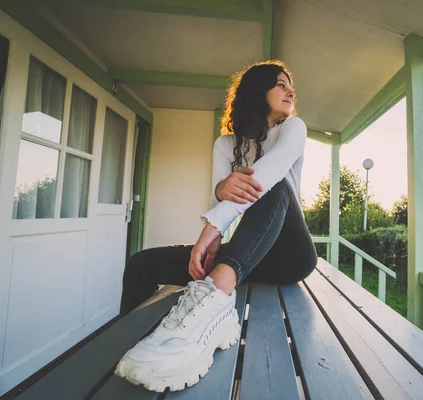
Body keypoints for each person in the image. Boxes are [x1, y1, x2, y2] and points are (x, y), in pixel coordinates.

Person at [114, 60, 318, 392]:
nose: (289, 91)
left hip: (290, 255)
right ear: (258, 89)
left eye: (289, 85)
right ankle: (129, 348)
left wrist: (209, 231)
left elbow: (266, 177)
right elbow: (219, 203)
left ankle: (214, 297)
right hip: (247, 254)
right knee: (142, 264)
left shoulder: (293, 128)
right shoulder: (225, 144)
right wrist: (220, 193)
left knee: (273, 184)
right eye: (280, 84)